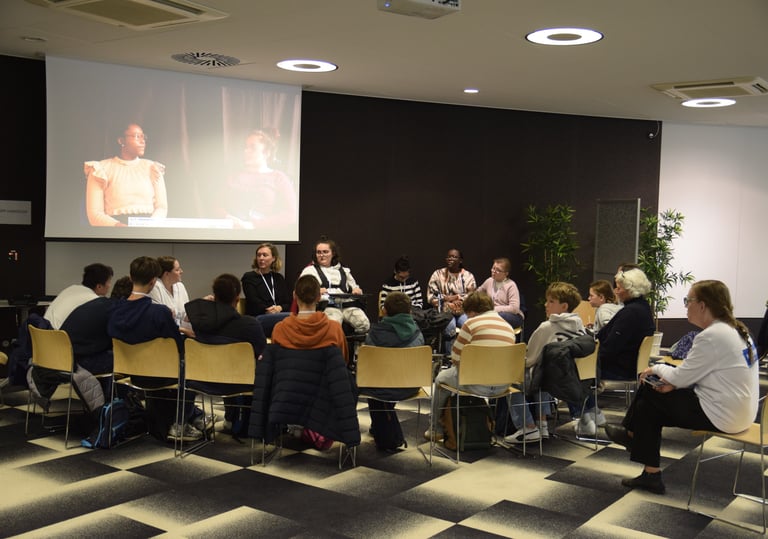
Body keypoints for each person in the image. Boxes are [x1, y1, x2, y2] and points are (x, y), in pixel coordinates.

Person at [605, 280, 759, 495]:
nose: (686, 305)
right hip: (740, 412)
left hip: (723, 415)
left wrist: (657, 369)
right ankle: (648, 470)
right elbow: (695, 373)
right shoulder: (734, 330)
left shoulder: (712, 335)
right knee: (649, 405)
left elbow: (681, 376)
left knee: (649, 388)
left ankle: (632, 435)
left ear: (703, 305)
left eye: (688, 300)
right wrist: (671, 382)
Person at [108, 256, 205, 443]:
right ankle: (181, 423)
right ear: (154, 282)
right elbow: (176, 346)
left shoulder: (114, 310)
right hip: (161, 373)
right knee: (191, 365)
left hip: (128, 373)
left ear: (130, 276)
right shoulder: (159, 313)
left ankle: (189, 416)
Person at [427, 291, 516, 442]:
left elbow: (455, 358)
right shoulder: (509, 327)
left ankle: (436, 429)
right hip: (504, 385)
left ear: (472, 311)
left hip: (474, 383)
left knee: (441, 379)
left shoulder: (471, 324)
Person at [504, 282, 586, 444]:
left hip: (551, 380)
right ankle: (542, 424)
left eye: (551, 302)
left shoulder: (547, 327)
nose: (545, 305)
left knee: (512, 379)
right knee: (543, 371)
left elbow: (530, 359)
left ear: (564, 306)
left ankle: (528, 427)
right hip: (572, 379)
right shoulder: (580, 327)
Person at [185, 273, 266, 435]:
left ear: (214, 296)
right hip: (241, 382)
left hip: (203, 380)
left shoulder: (200, 324)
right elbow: (261, 353)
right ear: (237, 299)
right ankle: (253, 424)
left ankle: (231, 419)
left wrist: (206, 307)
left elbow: (191, 313)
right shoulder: (250, 325)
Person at [85, 123, 168, 227]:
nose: (142, 141)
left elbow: (161, 207)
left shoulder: (152, 168)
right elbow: (95, 214)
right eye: (137, 136)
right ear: (121, 141)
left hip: (148, 233)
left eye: (143, 137)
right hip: (115, 234)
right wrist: (121, 228)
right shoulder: (100, 169)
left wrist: (148, 227)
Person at [218, 129, 297, 231]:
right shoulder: (234, 177)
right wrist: (229, 218)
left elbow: (290, 215)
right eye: (246, 147)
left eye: (252, 148)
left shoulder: (278, 178)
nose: (246, 151)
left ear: (267, 153)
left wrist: (253, 225)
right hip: (232, 234)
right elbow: (216, 206)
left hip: (265, 238)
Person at [362, 291, 425, 400]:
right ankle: (390, 416)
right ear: (410, 311)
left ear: (384, 311)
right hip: (410, 386)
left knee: (376, 383)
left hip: (376, 386)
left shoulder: (373, 335)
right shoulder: (418, 335)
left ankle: (386, 416)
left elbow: (369, 364)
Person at [300, 238, 370, 335]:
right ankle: (334, 348)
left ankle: (357, 349)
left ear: (333, 253)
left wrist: (356, 290)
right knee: (333, 325)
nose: (322, 255)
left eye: (325, 252)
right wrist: (315, 291)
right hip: (327, 306)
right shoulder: (310, 271)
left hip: (346, 305)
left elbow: (355, 287)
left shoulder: (344, 271)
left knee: (364, 323)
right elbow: (302, 290)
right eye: (319, 252)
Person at [271, 275, 349, 362]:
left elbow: (275, 363)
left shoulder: (279, 329)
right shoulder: (335, 329)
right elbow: (342, 362)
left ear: (294, 296)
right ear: (319, 297)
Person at [597, 268, 655, 380]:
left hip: (619, 369)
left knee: (571, 368)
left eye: (619, 288)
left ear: (630, 290)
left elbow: (610, 347)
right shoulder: (643, 307)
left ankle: (582, 397)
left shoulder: (630, 312)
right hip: (631, 367)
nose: (616, 292)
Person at [241, 243, 292, 338]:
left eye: (265, 255)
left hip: (279, 316)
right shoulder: (249, 277)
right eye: (259, 255)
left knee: (293, 317)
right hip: (258, 317)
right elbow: (253, 301)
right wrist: (269, 310)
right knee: (292, 317)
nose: (261, 258)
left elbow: (287, 302)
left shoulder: (278, 278)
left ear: (273, 258)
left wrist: (279, 308)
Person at [44, 263, 114, 329]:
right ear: (99, 286)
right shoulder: (94, 300)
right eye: (109, 282)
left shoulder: (71, 288)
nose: (110, 285)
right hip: (60, 338)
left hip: (41, 335)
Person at [427, 248, 477, 339]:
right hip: (443, 312)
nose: (450, 259)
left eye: (454, 257)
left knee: (469, 327)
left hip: (462, 311)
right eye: (449, 257)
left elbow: (471, 295)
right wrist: (447, 301)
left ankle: (467, 352)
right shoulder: (438, 274)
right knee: (450, 328)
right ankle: (450, 353)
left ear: (460, 260)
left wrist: (457, 298)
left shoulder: (468, 276)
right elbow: (431, 295)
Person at [477, 257, 524, 329]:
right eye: (493, 268)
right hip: (492, 313)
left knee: (496, 316)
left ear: (506, 273)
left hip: (512, 316)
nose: (494, 271)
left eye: (498, 270)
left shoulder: (511, 285)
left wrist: (494, 309)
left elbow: (514, 308)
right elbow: (477, 293)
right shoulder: (489, 281)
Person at [149, 256, 191, 335]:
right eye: (177, 270)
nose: (181, 271)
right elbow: (159, 320)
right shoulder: (155, 287)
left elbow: (186, 315)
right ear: (167, 274)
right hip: (163, 337)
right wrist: (183, 330)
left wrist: (197, 307)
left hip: (182, 334)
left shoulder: (180, 286)